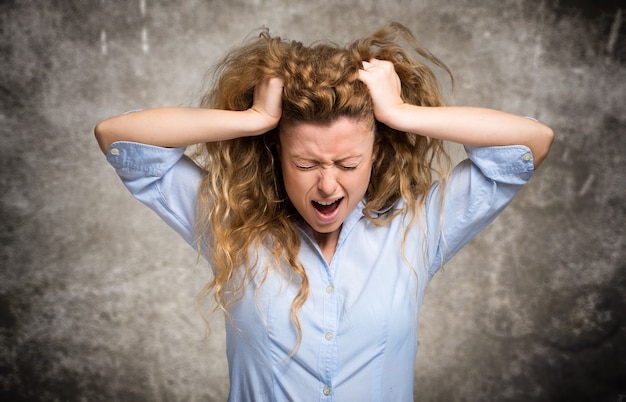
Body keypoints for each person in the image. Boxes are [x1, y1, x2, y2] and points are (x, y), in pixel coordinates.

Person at [94, 22, 554, 401]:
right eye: (306, 163)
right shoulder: (235, 226)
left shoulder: (416, 228)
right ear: (277, 152)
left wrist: (399, 113)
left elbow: (530, 143)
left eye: (348, 163)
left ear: (375, 153)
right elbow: (117, 137)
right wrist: (254, 120)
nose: (329, 184)